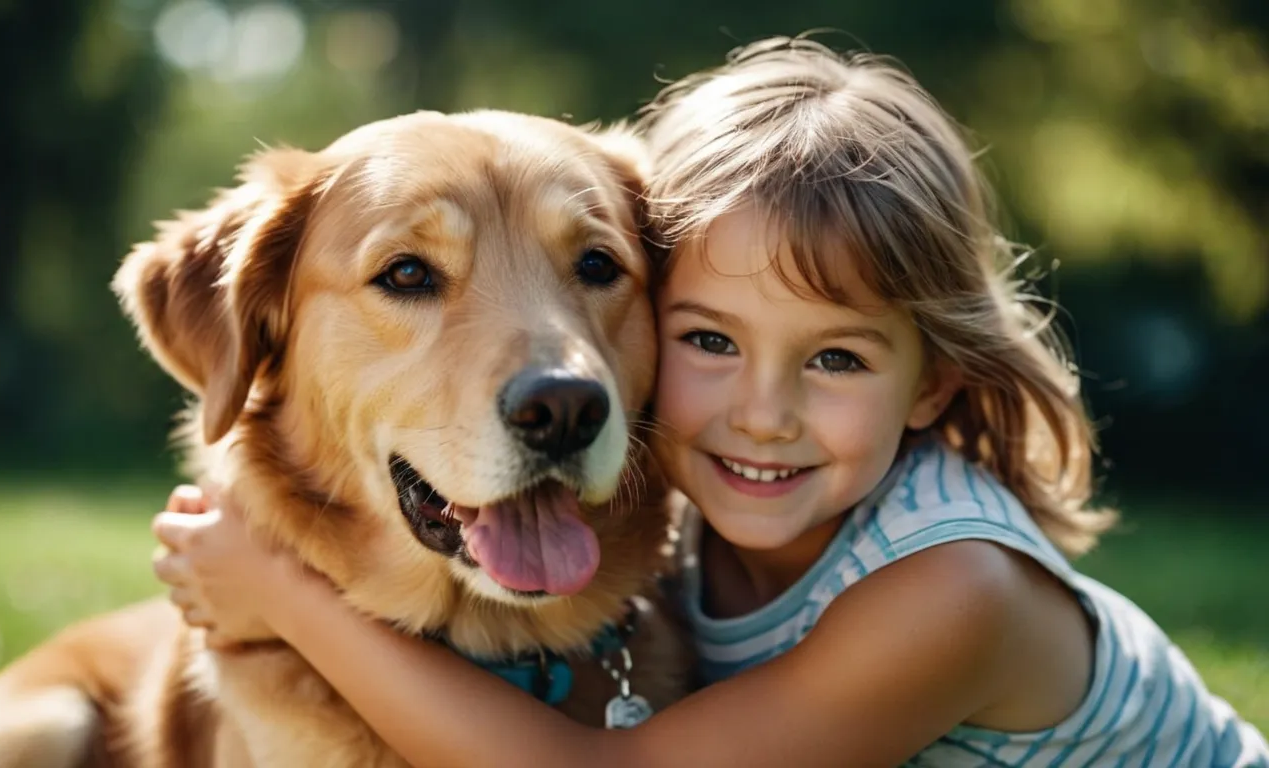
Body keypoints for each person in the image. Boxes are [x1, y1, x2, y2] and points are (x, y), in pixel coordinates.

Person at [150, 36, 1269, 767]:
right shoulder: (714, 546)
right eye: (409, 276)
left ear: (932, 377)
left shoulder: (952, 588)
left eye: (595, 271)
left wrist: (292, 600)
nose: (555, 382)